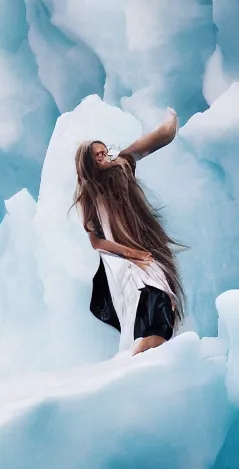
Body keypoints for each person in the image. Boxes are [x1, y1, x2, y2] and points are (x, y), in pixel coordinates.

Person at [74, 108, 186, 355]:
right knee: (150, 293)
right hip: (122, 258)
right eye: (97, 156)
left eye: (105, 152)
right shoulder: (89, 196)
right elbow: (96, 242)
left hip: (142, 250)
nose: (104, 157)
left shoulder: (122, 166)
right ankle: (139, 355)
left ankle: (150, 352)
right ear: (88, 163)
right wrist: (131, 253)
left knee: (165, 300)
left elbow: (155, 140)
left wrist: (171, 120)